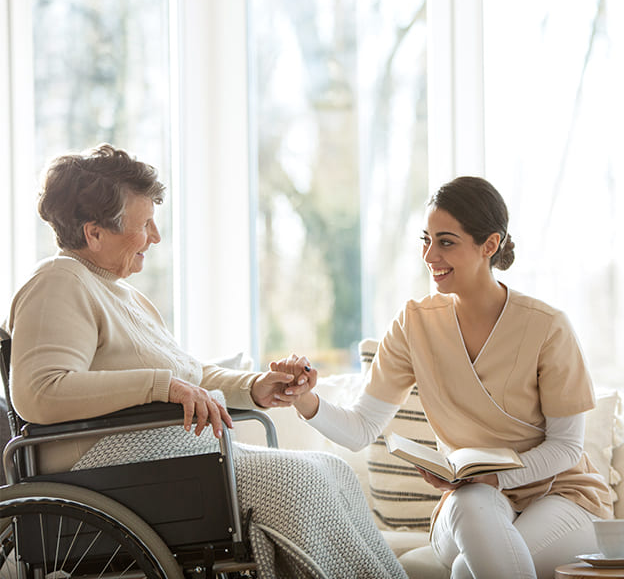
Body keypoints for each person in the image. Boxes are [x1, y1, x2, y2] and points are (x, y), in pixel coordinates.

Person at [3, 144, 406, 579]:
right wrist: (161, 387)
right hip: (107, 468)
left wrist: (256, 385)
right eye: (144, 225)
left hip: (159, 459)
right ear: (94, 232)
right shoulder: (58, 282)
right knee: (301, 484)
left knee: (331, 469)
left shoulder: (122, 293)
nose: (155, 236)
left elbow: (191, 374)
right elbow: (39, 394)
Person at [278, 176, 615, 579]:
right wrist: (303, 399)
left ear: (489, 245)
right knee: (472, 505)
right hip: (468, 501)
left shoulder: (547, 326)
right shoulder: (414, 324)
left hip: (561, 495)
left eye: (446, 241)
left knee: (464, 569)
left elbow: (564, 447)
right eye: (426, 239)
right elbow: (361, 428)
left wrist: (497, 476)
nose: (429, 254)